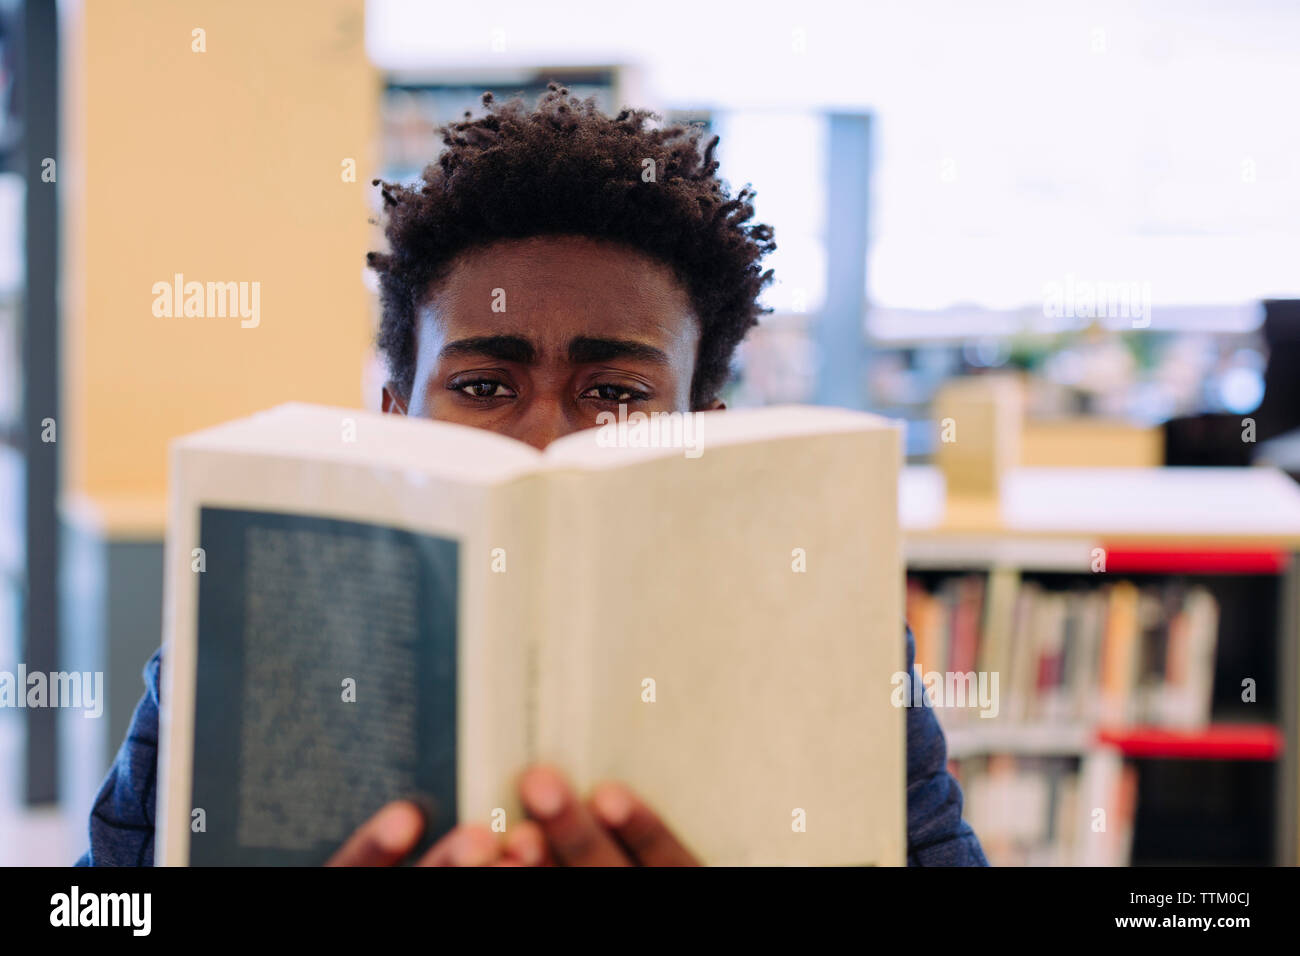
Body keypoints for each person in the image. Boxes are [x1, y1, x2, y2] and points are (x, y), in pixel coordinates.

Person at [78, 84, 987, 867]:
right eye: (482, 384)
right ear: (397, 420)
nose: (545, 437)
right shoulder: (247, 644)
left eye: (617, 391)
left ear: (701, 435)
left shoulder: (832, 655)